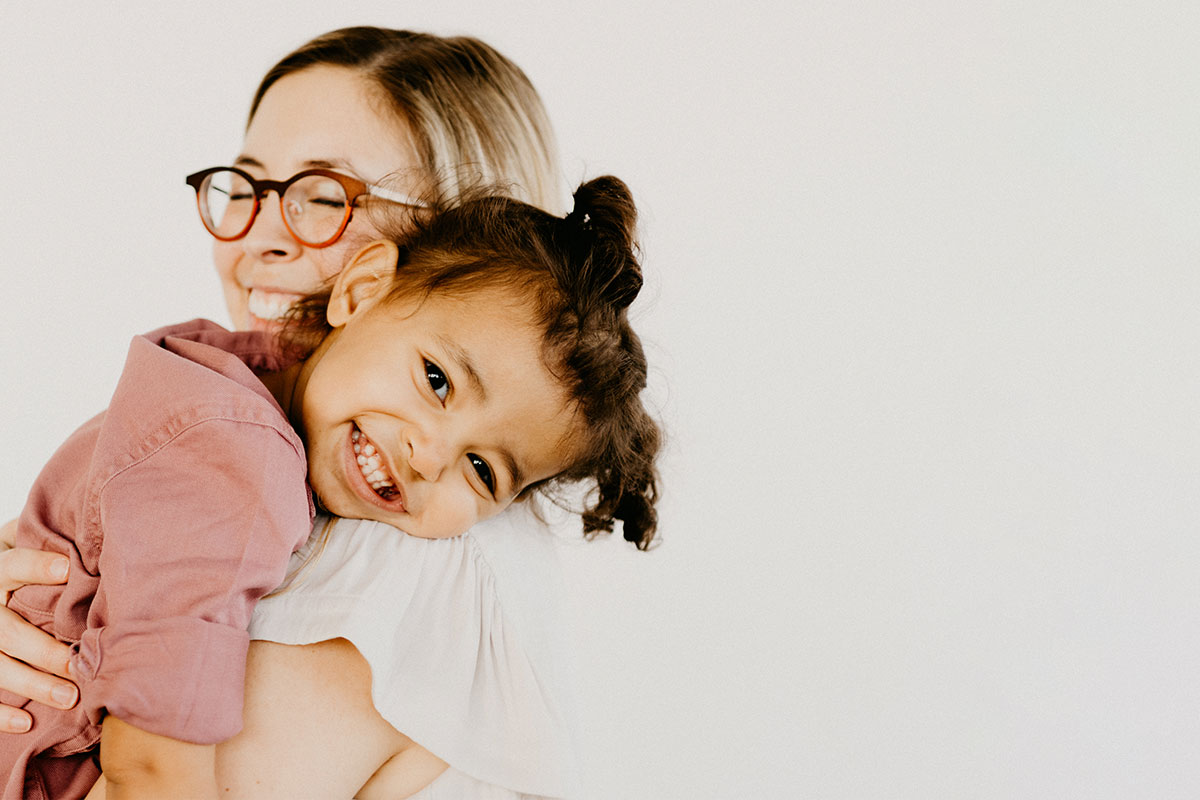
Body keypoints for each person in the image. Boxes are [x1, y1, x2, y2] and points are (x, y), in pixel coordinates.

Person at [0, 27, 654, 798]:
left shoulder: (411, 560)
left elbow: (154, 774)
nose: (259, 239)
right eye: (244, 187)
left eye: (323, 196)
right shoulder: (238, 430)